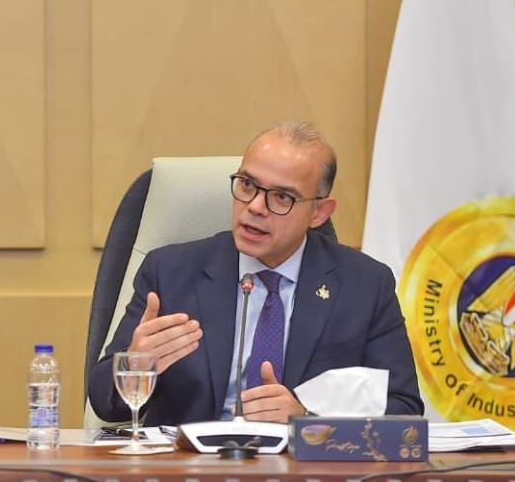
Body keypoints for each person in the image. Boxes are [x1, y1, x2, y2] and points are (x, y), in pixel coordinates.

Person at [88, 121, 423, 425]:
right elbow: (104, 403)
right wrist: (135, 365)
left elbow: (403, 410)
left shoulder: (364, 285)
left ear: (319, 213)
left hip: (301, 465)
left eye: (282, 197)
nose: (255, 207)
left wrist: (306, 420)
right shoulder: (170, 272)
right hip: (192, 463)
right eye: (247, 185)